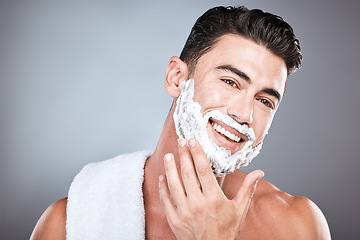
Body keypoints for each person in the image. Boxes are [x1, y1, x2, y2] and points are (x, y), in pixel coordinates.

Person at [31, 6, 331, 239]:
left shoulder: (296, 225)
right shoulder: (68, 225)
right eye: (230, 81)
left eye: (265, 101)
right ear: (177, 78)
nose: (244, 114)